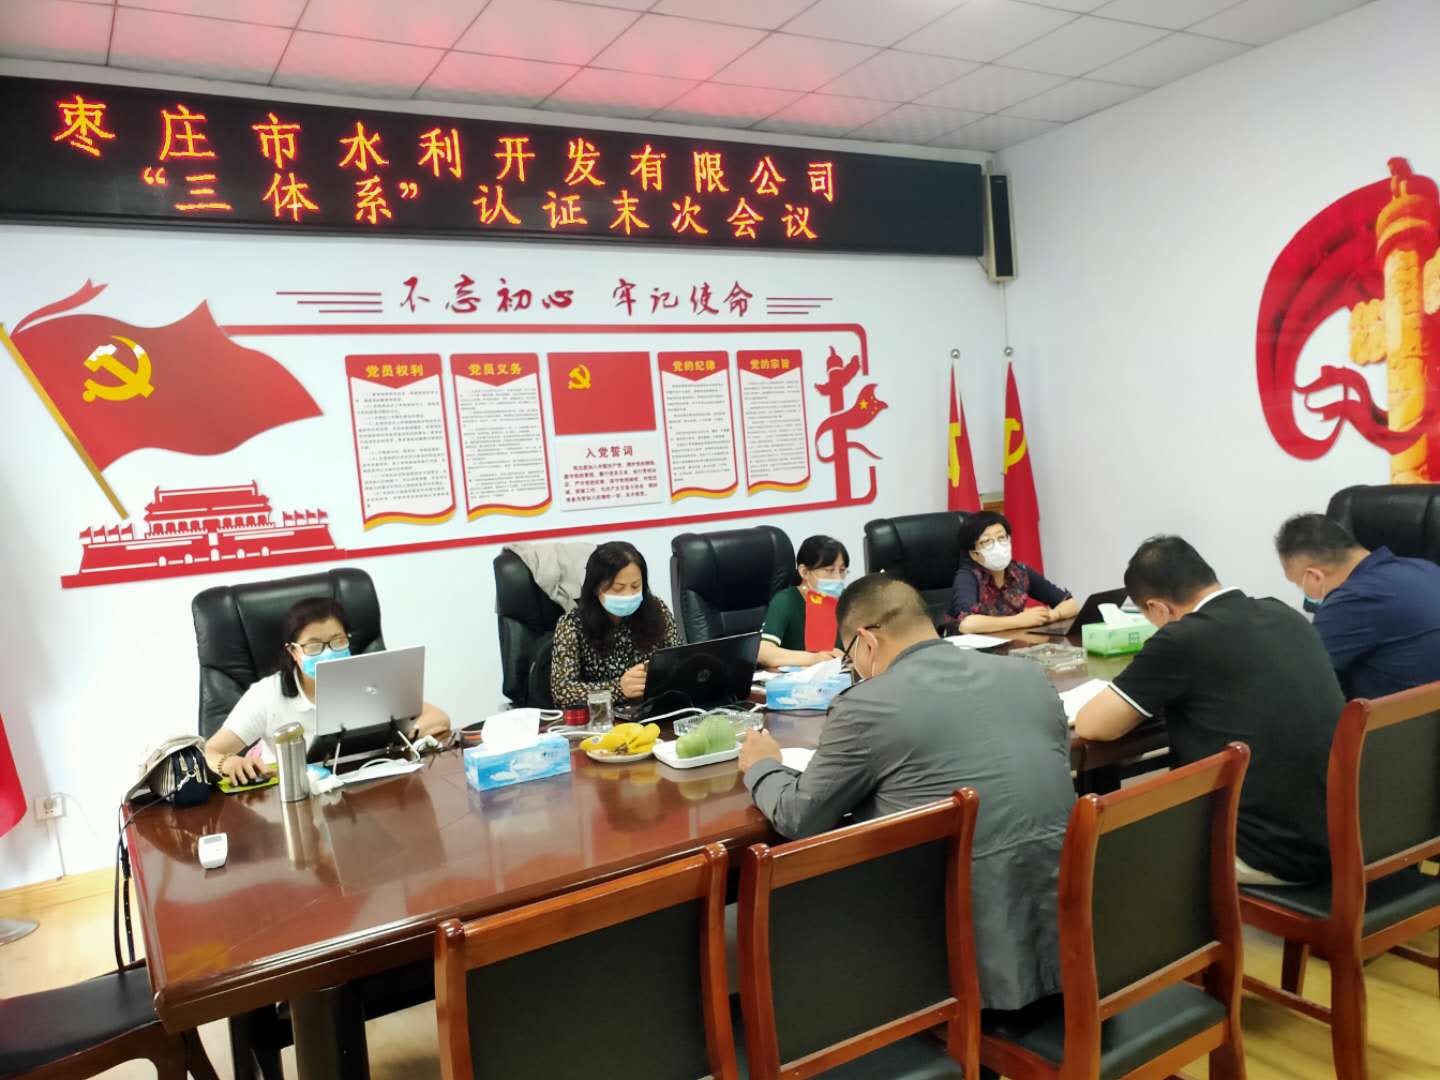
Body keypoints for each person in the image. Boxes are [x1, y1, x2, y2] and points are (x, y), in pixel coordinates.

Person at [739, 574, 1075, 1011]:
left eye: (850, 657)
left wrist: (763, 764)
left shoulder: (867, 704)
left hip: (963, 958)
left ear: (866, 641)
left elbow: (800, 817)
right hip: (1072, 926)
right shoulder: (1027, 674)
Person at [1075, 536, 1343, 886]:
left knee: (1112, 845)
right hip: (1339, 835)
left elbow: (1093, 725)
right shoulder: (1282, 613)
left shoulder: (1181, 639)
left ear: (1158, 609)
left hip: (1269, 854)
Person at [204, 596, 452, 786]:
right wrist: (229, 763)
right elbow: (211, 751)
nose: (328, 652)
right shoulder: (266, 695)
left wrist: (405, 735)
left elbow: (438, 718)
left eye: (338, 641)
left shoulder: (369, 679)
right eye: (313, 646)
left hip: (364, 789)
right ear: (293, 652)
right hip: (293, 797)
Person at [1275, 512, 1440, 698]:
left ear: (1314, 577)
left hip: (1403, 714)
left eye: (1298, 584)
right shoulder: (1424, 567)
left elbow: (1299, 676)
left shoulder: (1351, 600)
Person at [550, 540, 681, 708]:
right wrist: (618, 689)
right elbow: (562, 692)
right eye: (618, 588)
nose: (628, 594)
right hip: (602, 717)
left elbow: (679, 661)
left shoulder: (657, 610)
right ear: (596, 587)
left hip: (655, 709)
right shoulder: (572, 625)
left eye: (635, 586)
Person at [948, 511, 1078, 633]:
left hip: (1014, 642)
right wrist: (1020, 620)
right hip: (973, 648)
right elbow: (967, 624)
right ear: (974, 554)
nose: (997, 546)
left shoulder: (1019, 571)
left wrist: (1050, 616)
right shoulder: (968, 576)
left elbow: (1071, 604)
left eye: (1001, 537)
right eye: (987, 541)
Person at [758, 534, 849, 669]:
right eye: (829, 570)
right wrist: (813, 658)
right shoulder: (786, 601)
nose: (838, 578)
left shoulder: (846, 600)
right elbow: (763, 653)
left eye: (842, 571)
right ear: (804, 572)